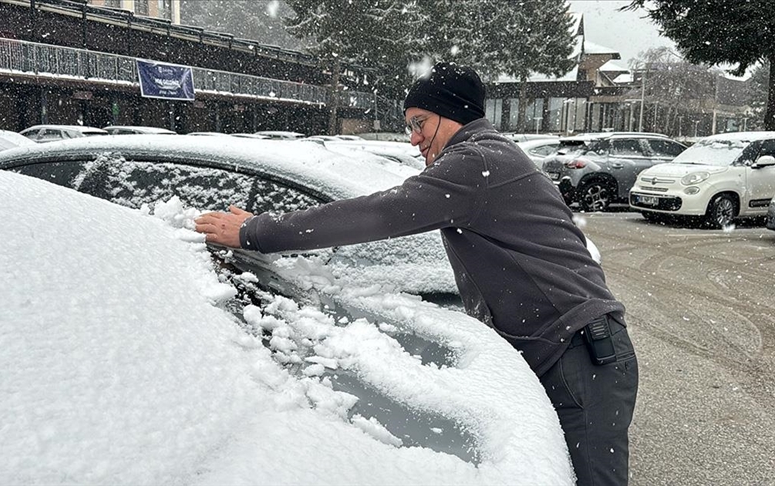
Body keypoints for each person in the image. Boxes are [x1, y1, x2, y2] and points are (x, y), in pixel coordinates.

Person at [195, 62, 638, 486]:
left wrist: (257, 232)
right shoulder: (493, 158)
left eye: (419, 122)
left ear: (453, 115)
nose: (413, 139)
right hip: (571, 349)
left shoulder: (476, 163)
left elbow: (380, 214)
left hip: (580, 355)